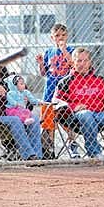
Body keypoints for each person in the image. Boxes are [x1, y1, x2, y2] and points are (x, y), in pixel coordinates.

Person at [54, 47, 104, 160]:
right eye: (79, 61)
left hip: (100, 116)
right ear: (73, 63)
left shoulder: (100, 80)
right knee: (86, 114)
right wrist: (74, 107)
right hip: (76, 119)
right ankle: (95, 153)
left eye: (85, 61)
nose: (82, 64)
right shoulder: (65, 82)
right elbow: (56, 102)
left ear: (90, 62)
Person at [36, 23, 76, 158]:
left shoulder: (71, 50)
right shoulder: (49, 52)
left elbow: (73, 65)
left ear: (67, 36)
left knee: (65, 120)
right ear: (52, 37)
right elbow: (44, 73)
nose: (61, 38)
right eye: (57, 35)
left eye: (63, 35)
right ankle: (49, 149)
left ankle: (72, 143)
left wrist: (64, 50)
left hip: (65, 92)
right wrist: (41, 63)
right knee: (48, 122)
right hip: (49, 91)